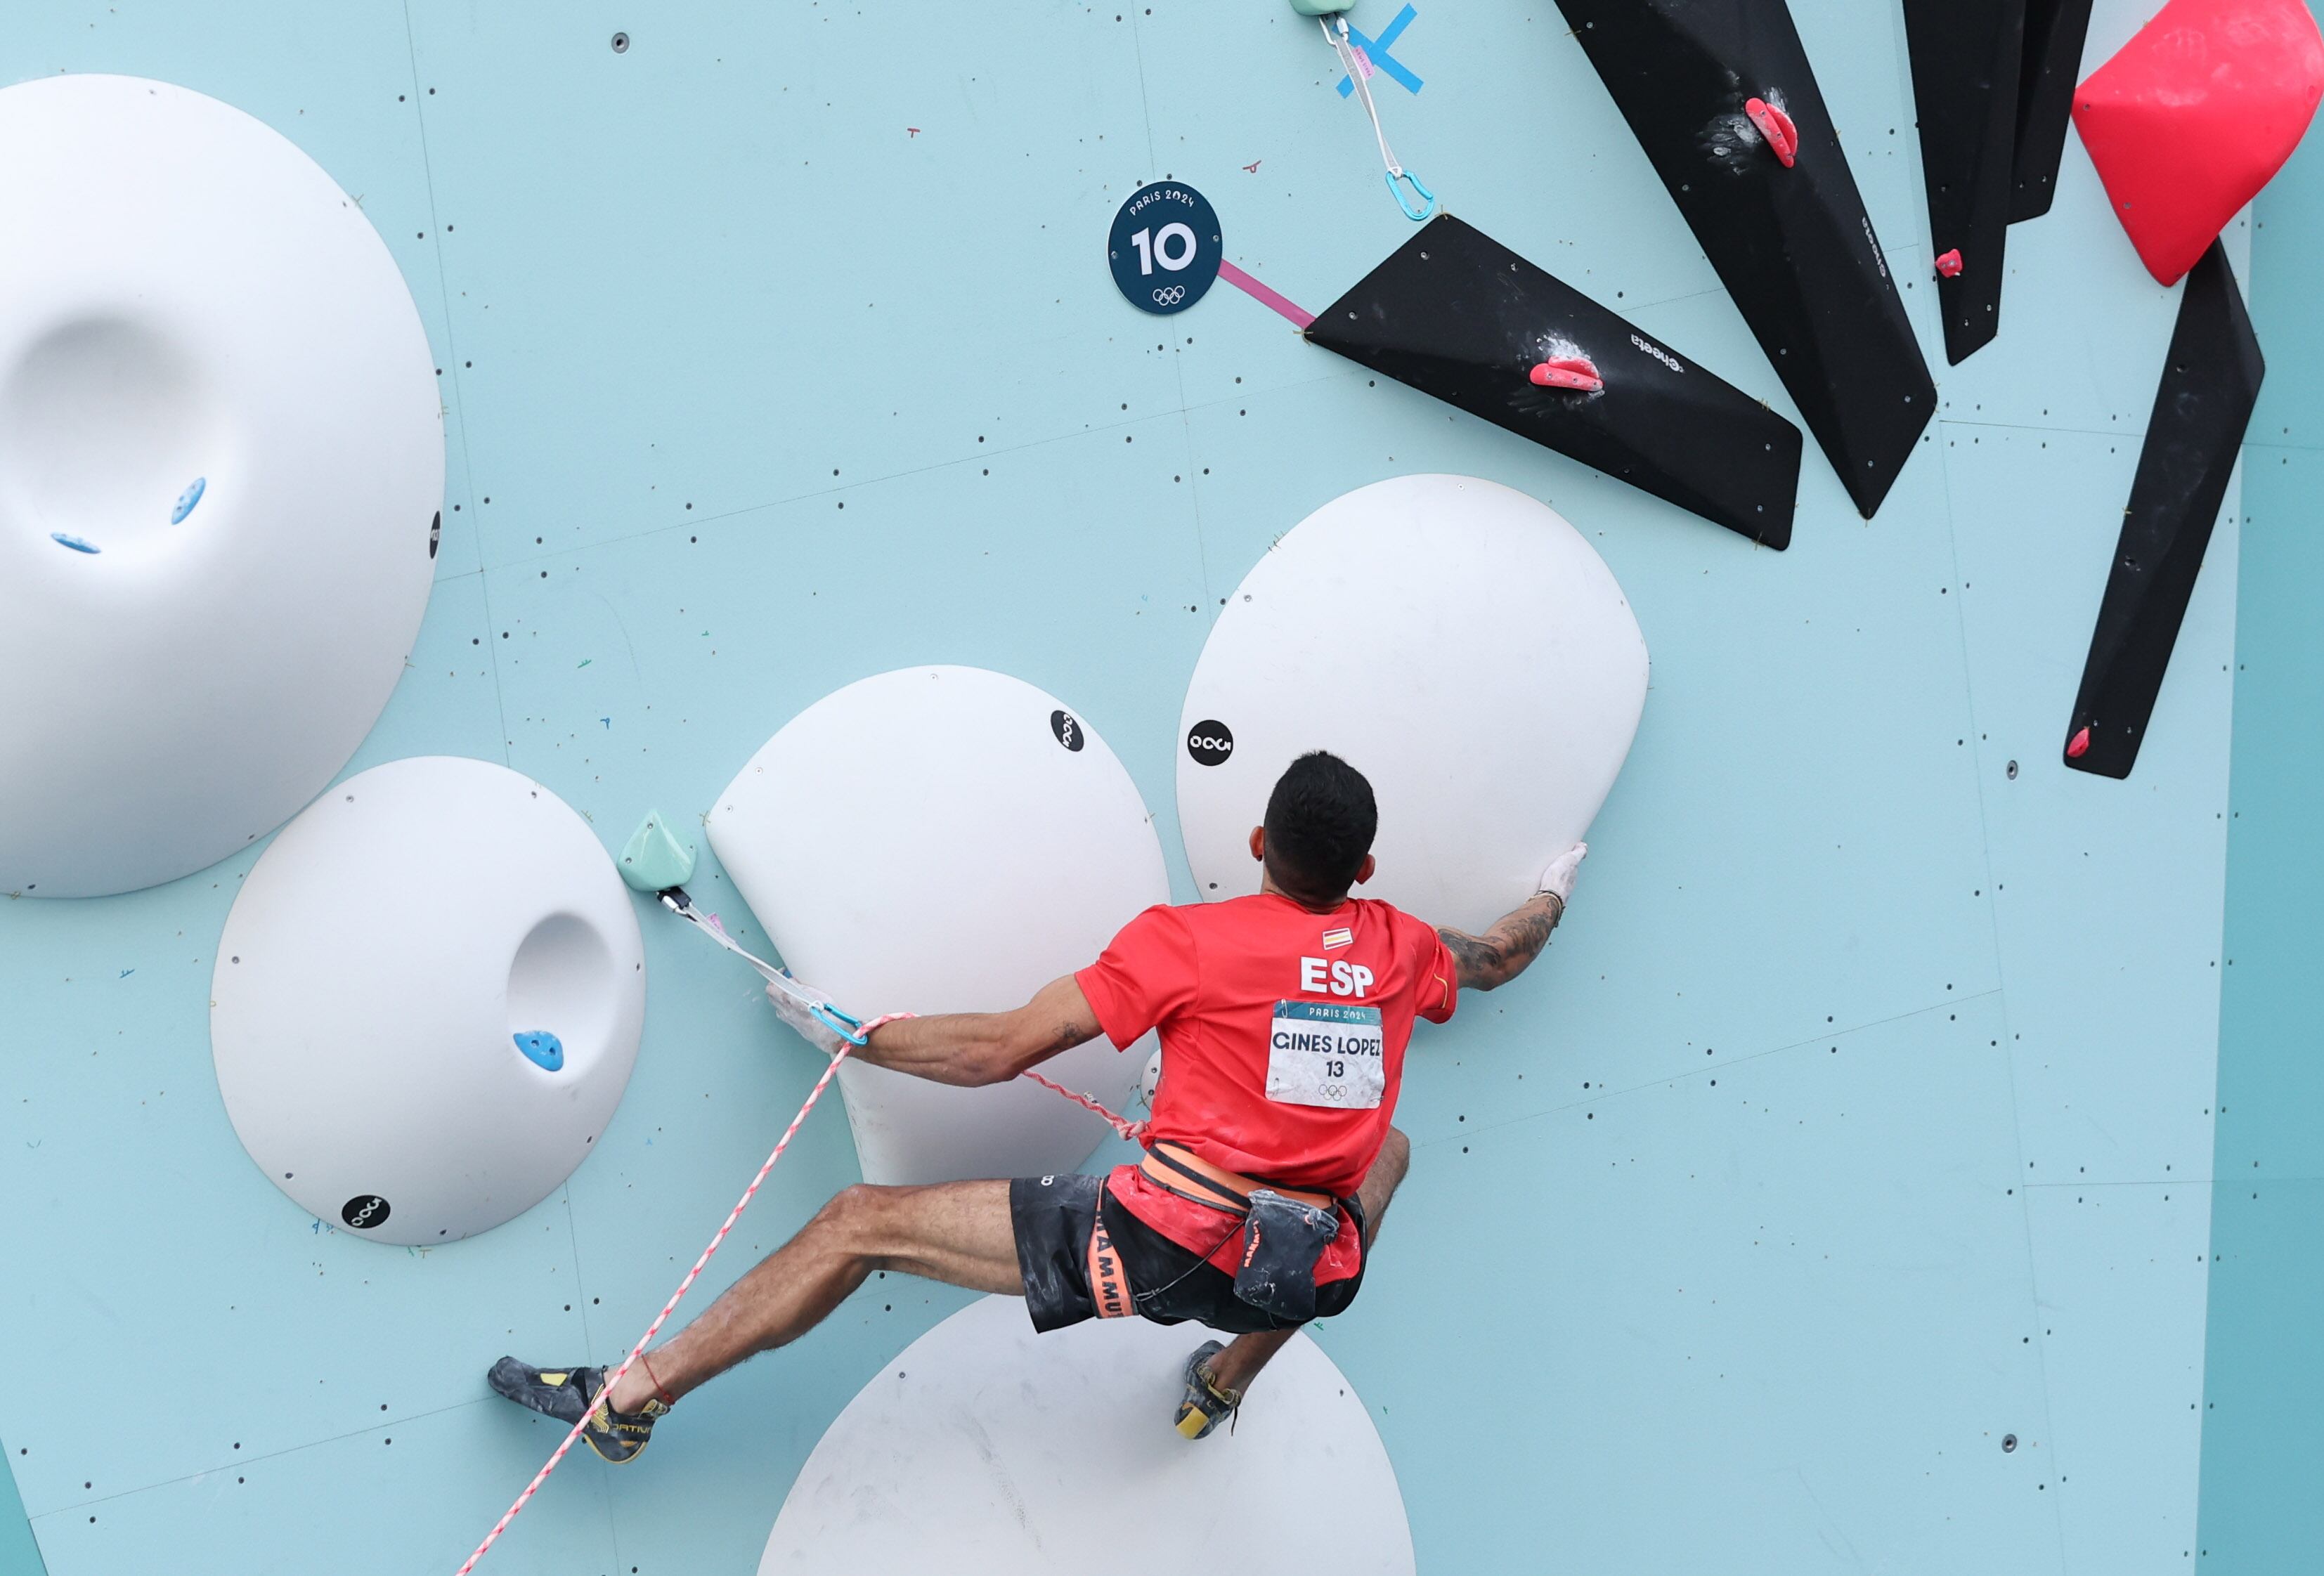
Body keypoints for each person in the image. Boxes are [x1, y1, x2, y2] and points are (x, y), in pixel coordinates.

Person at [487, 750, 1584, 1461]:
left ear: (1259, 844)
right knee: (1382, 1156)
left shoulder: (1186, 942)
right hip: (1305, 1271)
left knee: (859, 1225)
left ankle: (626, 1404)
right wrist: (1556, 890)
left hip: (1160, 1251)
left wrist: (856, 1037)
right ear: (1367, 867)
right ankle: (1226, 1377)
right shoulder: (1401, 948)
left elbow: (1000, 1051)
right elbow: (1499, 956)